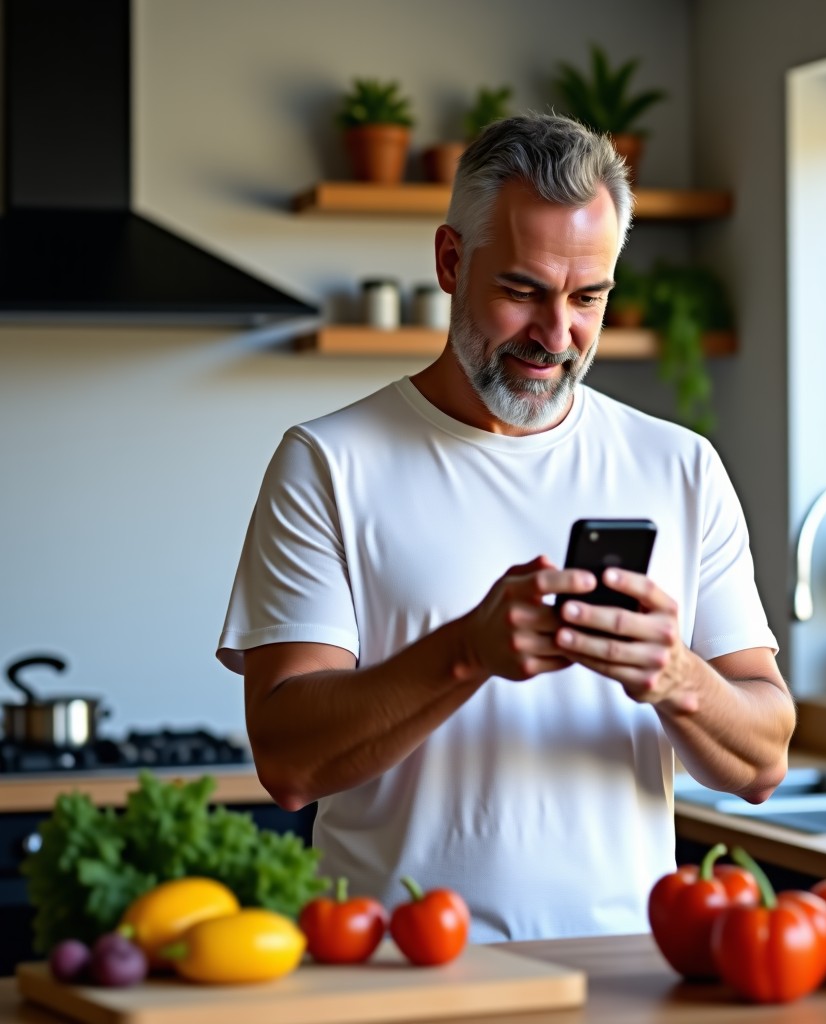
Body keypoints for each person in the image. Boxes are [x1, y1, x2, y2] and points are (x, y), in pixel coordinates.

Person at [217, 113, 794, 943]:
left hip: (625, 977)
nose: (556, 336)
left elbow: (764, 759)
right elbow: (288, 763)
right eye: (523, 290)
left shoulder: (681, 466)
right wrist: (467, 653)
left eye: (587, 297)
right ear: (451, 261)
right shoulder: (328, 463)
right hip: (399, 978)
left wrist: (674, 675)